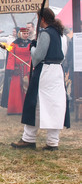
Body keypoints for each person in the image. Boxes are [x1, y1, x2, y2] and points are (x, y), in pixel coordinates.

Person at [12, 8, 70, 151]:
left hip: (45, 71)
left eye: (38, 18)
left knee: (35, 103)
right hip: (57, 71)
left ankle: (29, 138)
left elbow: (37, 57)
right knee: (56, 105)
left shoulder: (45, 33)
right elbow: (63, 55)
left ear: (42, 19)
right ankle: (52, 142)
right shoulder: (61, 34)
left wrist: (33, 46)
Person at [5, 27, 31, 115]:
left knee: (27, 88)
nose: (26, 35)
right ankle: (15, 109)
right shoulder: (13, 44)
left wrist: (30, 68)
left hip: (27, 68)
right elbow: (11, 56)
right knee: (16, 89)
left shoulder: (31, 44)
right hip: (17, 69)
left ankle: (27, 108)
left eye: (27, 34)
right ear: (20, 34)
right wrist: (12, 68)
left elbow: (32, 56)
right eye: (24, 34)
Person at [0, 27, 20, 108]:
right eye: (13, 31)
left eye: (15, 31)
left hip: (18, 62)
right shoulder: (9, 38)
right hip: (10, 59)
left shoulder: (20, 41)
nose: (13, 33)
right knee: (8, 80)